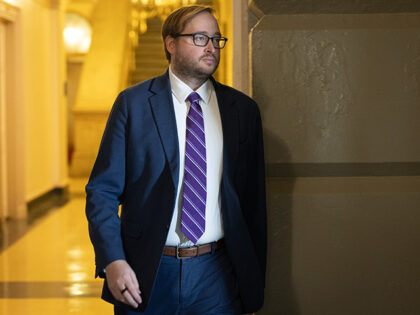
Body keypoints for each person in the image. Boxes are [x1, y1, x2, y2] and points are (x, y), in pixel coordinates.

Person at [85, 5, 266, 315]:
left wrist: (251, 278)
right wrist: (113, 260)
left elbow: (253, 203)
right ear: (170, 43)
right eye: (199, 38)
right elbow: (102, 192)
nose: (211, 47)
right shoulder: (134, 104)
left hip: (218, 274)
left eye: (216, 39)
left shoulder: (242, 111)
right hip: (149, 270)